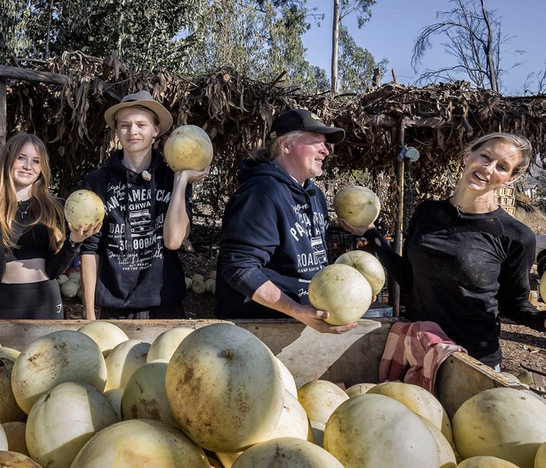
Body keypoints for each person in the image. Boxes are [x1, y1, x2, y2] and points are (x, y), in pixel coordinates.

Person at [340, 132, 546, 369]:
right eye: (485, 156)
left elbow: (515, 304)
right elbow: (408, 278)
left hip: (472, 359)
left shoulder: (515, 235)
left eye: (502, 166)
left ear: (510, 178)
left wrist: (542, 321)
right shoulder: (427, 212)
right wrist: (370, 233)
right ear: (469, 154)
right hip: (418, 347)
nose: (488, 168)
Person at [215, 108, 356, 334]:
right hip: (258, 329)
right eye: (315, 142)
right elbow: (239, 268)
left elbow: (311, 262)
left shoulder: (315, 195)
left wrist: (351, 290)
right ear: (286, 146)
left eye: (325, 143)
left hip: (300, 323)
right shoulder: (261, 193)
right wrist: (295, 310)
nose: (326, 151)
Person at [79, 91, 209, 320]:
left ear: (155, 131)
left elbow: (174, 240)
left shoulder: (174, 179)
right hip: (115, 309)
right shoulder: (98, 182)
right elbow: (90, 249)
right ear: (117, 131)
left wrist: (180, 182)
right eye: (125, 125)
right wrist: (89, 314)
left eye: (141, 124)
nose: (133, 131)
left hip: (166, 305)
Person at [0, 133, 99, 319]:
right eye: (21, 158)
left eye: (35, 161)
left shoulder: (56, 208)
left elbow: (53, 271)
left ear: (42, 167)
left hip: (49, 305)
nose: (28, 166)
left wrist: (74, 242)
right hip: (6, 306)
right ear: (8, 159)